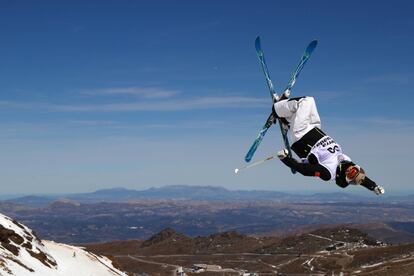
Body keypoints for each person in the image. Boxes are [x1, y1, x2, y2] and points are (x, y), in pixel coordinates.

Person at [272, 96, 385, 195]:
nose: (350, 169)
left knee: (306, 101)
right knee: (310, 103)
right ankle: (286, 119)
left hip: (301, 135)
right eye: (355, 169)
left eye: (350, 174)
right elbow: (362, 180)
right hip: (315, 129)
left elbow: (304, 170)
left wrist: (285, 159)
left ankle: (277, 109)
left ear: (346, 179)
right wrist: (374, 186)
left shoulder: (328, 172)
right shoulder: (346, 161)